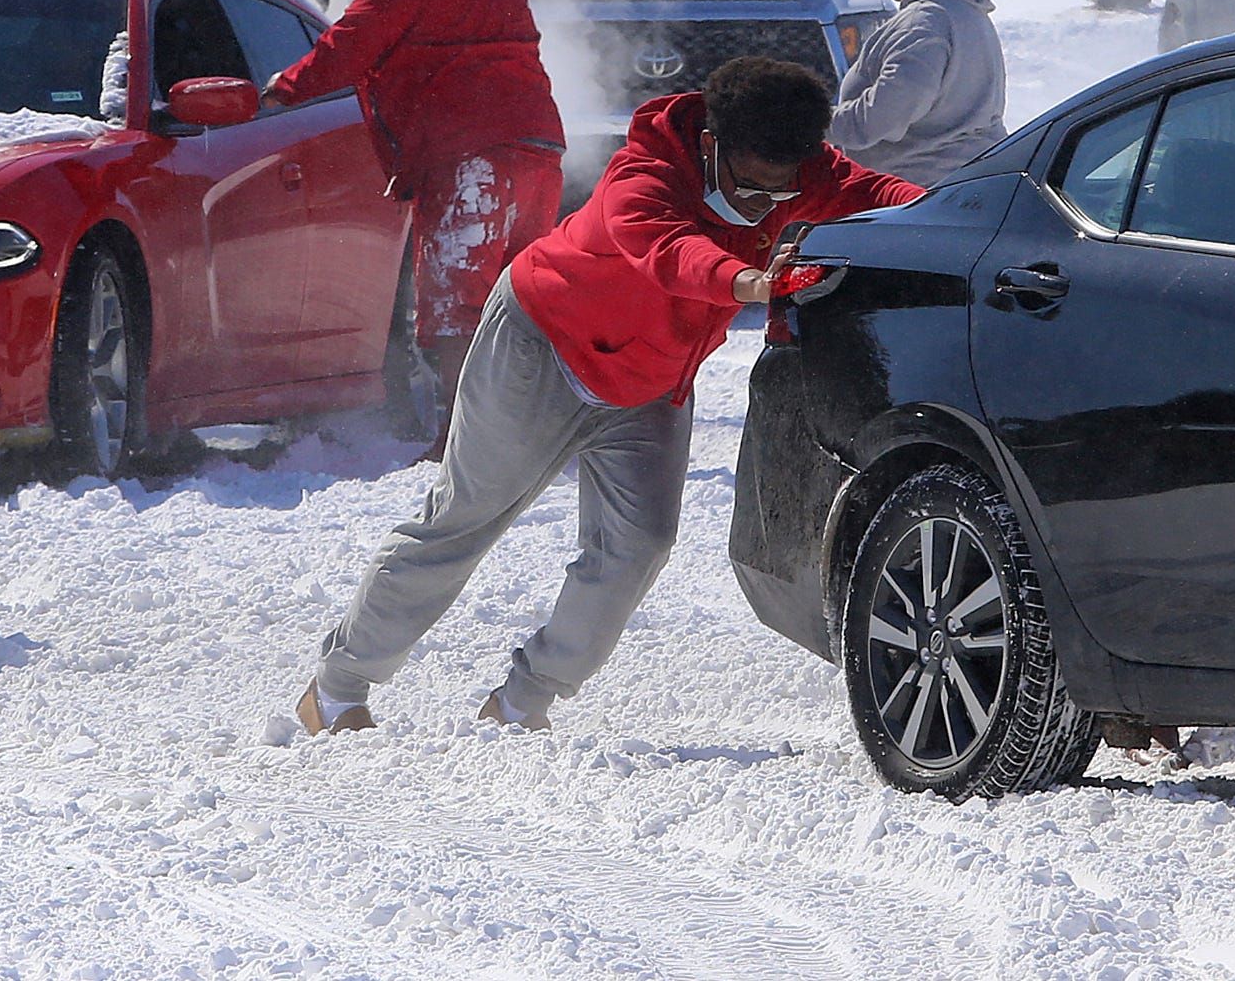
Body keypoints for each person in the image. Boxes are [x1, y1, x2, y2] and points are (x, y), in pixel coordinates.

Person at [294, 57, 924, 737]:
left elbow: (884, 195)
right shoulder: (645, 173)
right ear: (713, 146)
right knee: (464, 520)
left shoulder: (804, 172)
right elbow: (664, 248)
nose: (764, 204)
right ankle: (336, 687)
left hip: (647, 384)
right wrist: (747, 283)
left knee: (639, 545)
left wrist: (963, 211)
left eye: (783, 192)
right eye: (750, 187)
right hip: (541, 349)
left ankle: (522, 700)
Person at [260, 0, 565, 456]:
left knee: (455, 307)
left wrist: (282, 90)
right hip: (537, 149)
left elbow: (352, 43)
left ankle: (464, 442)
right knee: (521, 303)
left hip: (472, 153)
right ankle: (533, 432)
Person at [829, 0, 1007, 187]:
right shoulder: (969, 12)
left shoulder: (925, 22)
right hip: (965, 186)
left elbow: (881, 117)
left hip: (916, 198)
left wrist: (814, 124)